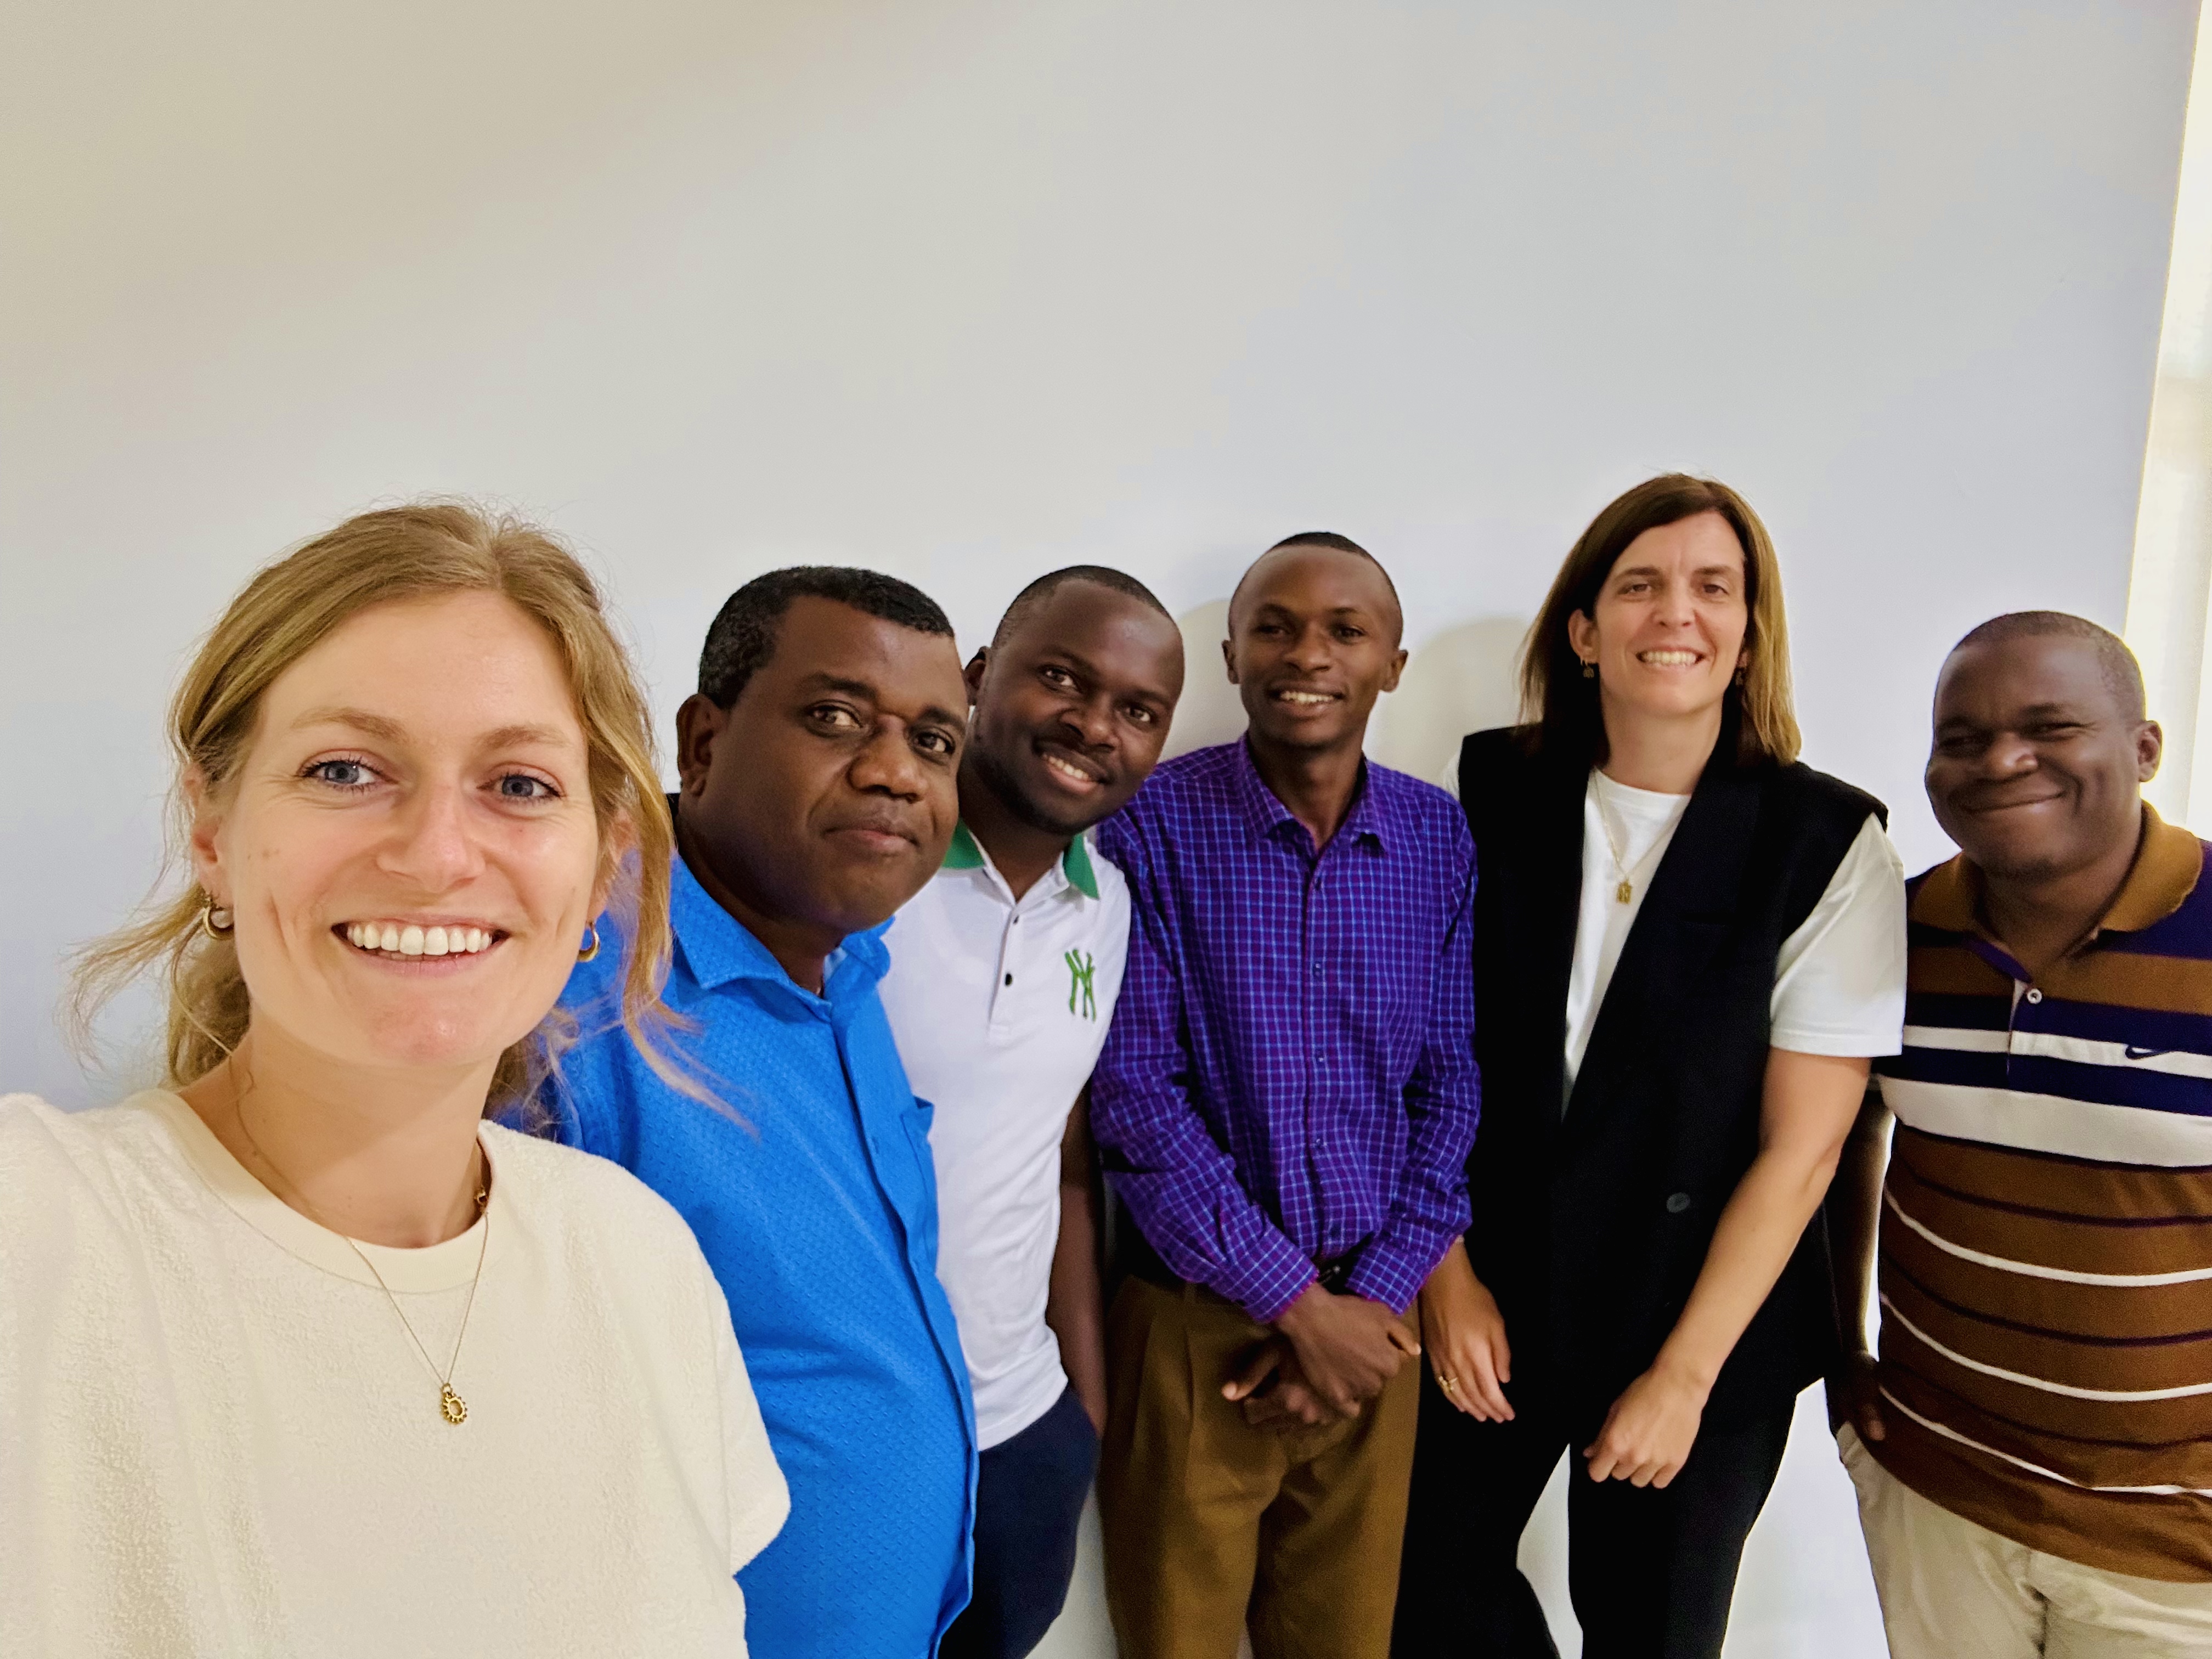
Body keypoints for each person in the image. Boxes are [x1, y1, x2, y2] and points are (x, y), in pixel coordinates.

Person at [0, 504, 787, 1658]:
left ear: (603, 856)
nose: (434, 855)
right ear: (212, 828)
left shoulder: (639, 1259)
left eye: (519, 786)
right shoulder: (43, 1232)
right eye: (345, 769)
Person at [1394, 474, 1906, 1659]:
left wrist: (1681, 1378)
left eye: (1712, 588)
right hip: (1495, 1287)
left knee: (1653, 1635)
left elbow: (1805, 1148)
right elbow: (1418, 1060)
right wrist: (1445, 1276)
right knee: (1421, 1591)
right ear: (1584, 633)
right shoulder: (1486, 793)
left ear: (1746, 637)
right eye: (1640, 585)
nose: (1676, 612)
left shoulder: (1826, 842)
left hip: (1702, 1314)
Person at [546, 566, 977, 1659]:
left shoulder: (852, 963)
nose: (894, 773)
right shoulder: (571, 1001)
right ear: (702, 741)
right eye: (836, 718)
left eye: (935, 742)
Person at [1088, 532, 1481, 1659]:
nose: (1307, 653)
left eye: (1345, 630)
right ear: (1230, 653)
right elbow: (1137, 1100)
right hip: (1194, 1335)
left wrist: (1363, 1316)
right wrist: (1303, 1316)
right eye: (1275, 626)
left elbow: (1449, 1090)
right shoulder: (1150, 823)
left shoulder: (1436, 836)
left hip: (1378, 1335)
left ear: (1393, 663)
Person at [1830, 612, 2212, 1656]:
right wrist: (1840, 1346)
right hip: (1942, 1491)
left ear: (2143, 749)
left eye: (2049, 727)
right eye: (1961, 739)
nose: (2001, 761)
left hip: (2175, 1546)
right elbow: (1841, 1138)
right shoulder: (1891, 934)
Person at [878, 564, 1186, 1659]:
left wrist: (1081, 1423)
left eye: (1137, 711)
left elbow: (1059, 1157)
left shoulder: (1106, 909)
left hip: (1018, 1435)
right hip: (848, 1435)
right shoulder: (868, 868)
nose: (1093, 725)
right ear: (976, 677)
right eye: (1060, 677)